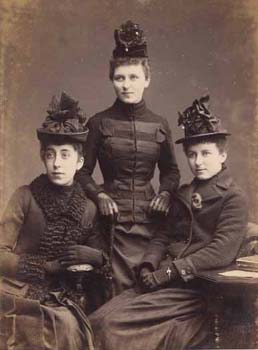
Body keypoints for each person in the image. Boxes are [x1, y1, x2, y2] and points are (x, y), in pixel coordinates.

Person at [89, 95, 248, 350]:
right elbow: (162, 235)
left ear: (223, 155)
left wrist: (171, 271)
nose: (198, 162)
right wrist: (148, 265)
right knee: (95, 320)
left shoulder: (233, 197)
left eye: (206, 153)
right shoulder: (183, 192)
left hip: (195, 289)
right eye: (192, 155)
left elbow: (222, 249)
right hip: (164, 281)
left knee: (112, 328)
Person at [76, 20, 180, 296]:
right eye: (120, 78)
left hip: (152, 223)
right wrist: (99, 196)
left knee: (150, 289)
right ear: (112, 80)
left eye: (133, 77)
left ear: (147, 79)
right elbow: (81, 172)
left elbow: (171, 171)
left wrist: (167, 193)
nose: (126, 85)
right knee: (115, 292)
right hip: (112, 226)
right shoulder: (98, 122)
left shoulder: (160, 124)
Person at [0, 92, 108, 350]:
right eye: (50, 155)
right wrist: (45, 267)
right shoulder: (25, 196)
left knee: (69, 328)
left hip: (62, 296)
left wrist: (94, 256)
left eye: (65, 155)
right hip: (18, 290)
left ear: (80, 161)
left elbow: (103, 260)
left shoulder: (88, 208)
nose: (57, 163)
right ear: (43, 157)